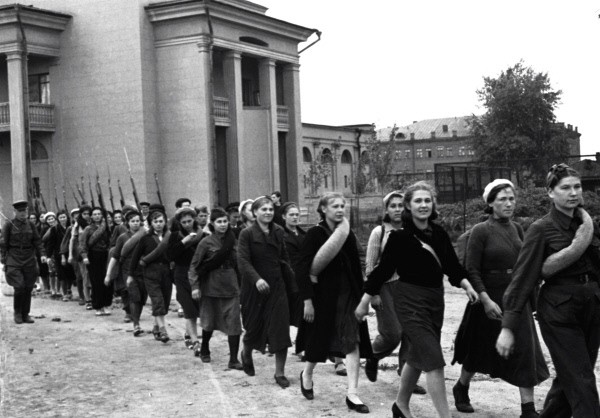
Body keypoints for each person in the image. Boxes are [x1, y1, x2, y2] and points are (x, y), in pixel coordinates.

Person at [355, 181, 478, 418]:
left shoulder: (439, 233)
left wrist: (466, 285)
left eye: (427, 200)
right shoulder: (400, 237)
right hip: (409, 301)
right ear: (409, 207)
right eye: (418, 201)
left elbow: (452, 267)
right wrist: (365, 300)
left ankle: (400, 405)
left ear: (433, 204)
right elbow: (381, 270)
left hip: (435, 300)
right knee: (433, 359)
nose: (424, 205)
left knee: (416, 354)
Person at [497, 164, 600, 418]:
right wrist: (508, 327)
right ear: (550, 193)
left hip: (592, 306)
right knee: (583, 381)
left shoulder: (588, 225)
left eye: (577, 187)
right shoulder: (541, 229)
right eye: (565, 188)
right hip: (559, 312)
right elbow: (522, 278)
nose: (573, 193)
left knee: (570, 380)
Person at [451, 180, 548, 417]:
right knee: (479, 349)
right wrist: (484, 300)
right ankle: (461, 386)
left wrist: (532, 299)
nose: (509, 203)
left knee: (525, 349)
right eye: (502, 199)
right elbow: (472, 269)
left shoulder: (517, 229)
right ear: (490, 203)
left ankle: (528, 409)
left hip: (515, 297)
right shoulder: (480, 231)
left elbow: (525, 265)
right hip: (489, 297)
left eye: (512, 198)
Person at [296, 192, 372, 413]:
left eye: (342, 206)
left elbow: (357, 260)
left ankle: (353, 394)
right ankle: (307, 373)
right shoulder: (314, 234)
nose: (340, 210)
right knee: (318, 341)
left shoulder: (347, 233)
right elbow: (301, 268)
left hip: (348, 295)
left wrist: (366, 293)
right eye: (335, 206)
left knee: (352, 340)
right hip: (323, 297)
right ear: (323, 209)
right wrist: (307, 300)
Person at [363, 191, 426, 394]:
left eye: (401, 205)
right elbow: (370, 265)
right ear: (386, 210)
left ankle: (406, 375)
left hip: (409, 287)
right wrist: (373, 293)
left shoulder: (413, 230)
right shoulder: (379, 232)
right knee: (392, 333)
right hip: (385, 287)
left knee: (410, 333)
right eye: (393, 206)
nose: (398, 209)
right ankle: (373, 355)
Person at [237, 196, 296, 387]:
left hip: (277, 287)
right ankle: (246, 352)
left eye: (271, 209)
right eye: (264, 209)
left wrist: (291, 277)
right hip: (254, 289)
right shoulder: (246, 234)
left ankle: (280, 373)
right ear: (254, 213)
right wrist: (257, 279)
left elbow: (284, 256)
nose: (268, 212)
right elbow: (243, 261)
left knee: (280, 329)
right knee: (253, 328)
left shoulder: (278, 231)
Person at [189, 208, 243, 369]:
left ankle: (233, 359)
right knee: (208, 323)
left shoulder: (233, 241)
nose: (223, 225)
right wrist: (195, 287)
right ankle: (205, 347)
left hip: (231, 288)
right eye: (219, 222)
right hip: (210, 289)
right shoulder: (206, 243)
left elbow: (241, 263)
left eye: (225, 221)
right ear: (212, 223)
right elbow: (194, 267)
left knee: (234, 324)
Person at [0, 200, 46, 324]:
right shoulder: (9, 225)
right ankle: (17, 313)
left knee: (28, 287)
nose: (22, 213)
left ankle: (26, 314)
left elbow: (37, 241)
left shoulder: (31, 225)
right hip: (14, 258)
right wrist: (4, 260)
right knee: (19, 286)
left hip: (29, 258)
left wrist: (42, 254)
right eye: (20, 211)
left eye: (24, 211)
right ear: (15, 212)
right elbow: (3, 244)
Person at [129, 209, 171, 343]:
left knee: (165, 301)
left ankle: (156, 327)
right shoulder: (145, 238)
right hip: (150, 273)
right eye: (155, 221)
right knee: (157, 301)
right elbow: (135, 257)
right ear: (151, 223)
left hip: (166, 272)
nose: (159, 224)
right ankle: (163, 330)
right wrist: (131, 274)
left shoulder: (170, 237)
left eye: (161, 221)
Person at [167, 207, 205, 349]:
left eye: (189, 220)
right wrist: (184, 242)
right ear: (179, 222)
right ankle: (195, 341)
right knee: (189, 308)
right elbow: (170, 255)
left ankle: (189, 334)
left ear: (194, 219)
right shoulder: (175, 236)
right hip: (181, 274)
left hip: (198, 275)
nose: (187, 224)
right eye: (184, 222)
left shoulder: (203, 235)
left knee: (198, 307)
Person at [109, 210, 147, 335]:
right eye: (133, 221)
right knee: (134, 296)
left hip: (144, 270)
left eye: (137, 221)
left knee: (142, 297)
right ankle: (136, 324)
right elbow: (115, 255)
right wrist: (109, 274)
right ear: (127, 223)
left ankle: (136, 317)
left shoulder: (146, 234)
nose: (136, 224)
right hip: (128, 270)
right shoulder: (123, 237)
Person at [80, 207, 113, 316]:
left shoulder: (107, 227)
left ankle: (107, 304)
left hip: (106, 255)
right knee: (96, 282)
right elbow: (83, 244)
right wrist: (84, 256)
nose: (97, 216)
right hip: (93, 256)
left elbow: (110, 241)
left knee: (107, 280)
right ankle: (98, 306)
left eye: (99, 214)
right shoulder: (88, 229)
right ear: (91, 216)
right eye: (94, 214)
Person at [281, 201, 306, 329]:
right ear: (284, 217)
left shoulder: (304, 235)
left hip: (304, 275)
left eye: (297, 214)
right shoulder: (280, 235)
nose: (295, 217)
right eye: (291, 215)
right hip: (289, 277)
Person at [69, 205, 93, 309]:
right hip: (82, 253)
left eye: (88, 214)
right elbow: (72, 240)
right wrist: (70, 254)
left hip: (94, 252)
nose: (87, 216)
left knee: (94, 276)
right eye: (84, 214)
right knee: (85, 276)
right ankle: (87, 299)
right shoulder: (77, 225)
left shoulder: (94, 223)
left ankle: (94, 297)